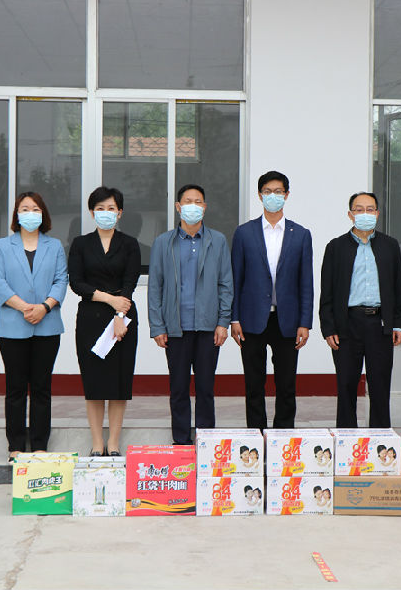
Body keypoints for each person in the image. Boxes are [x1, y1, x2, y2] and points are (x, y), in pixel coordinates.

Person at [147, 184, 233, 445]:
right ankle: (181, 442)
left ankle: (206, 442)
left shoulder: (217, 241)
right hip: (176, 328)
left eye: (198, 202)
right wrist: (157, 325)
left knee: (206, 388)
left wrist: (223, 322)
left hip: (208, 327)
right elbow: (155, 286)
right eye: (187, 201)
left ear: (204, 207)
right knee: (178, 389)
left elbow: (225, 283)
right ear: (178, 207)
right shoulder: (164, 242)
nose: (193, 206)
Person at [230, 171, 314, 430]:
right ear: (260, 195)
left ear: (286, 195)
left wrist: (305, 322)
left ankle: (283, 436)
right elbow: (236, 278)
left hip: (287, 320)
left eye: (278, 192)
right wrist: (234, 318)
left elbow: (306, 282)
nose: (273, 196)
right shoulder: (244, 233)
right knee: (254, 383)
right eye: (268, 192)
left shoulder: (301, 234)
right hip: (252, 318)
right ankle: (256, 435)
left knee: (286, 384)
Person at [0, 192, 68, 462]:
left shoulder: (54, 246)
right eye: (25, 209)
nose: (30, 213)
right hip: (13, 326)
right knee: (16, 388)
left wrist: (44, 307)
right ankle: (15, 446)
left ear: (43, 214)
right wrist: (24, 307)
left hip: (48, 326)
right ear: (16, 214)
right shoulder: (3, 246)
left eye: (35, 209)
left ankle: (40, 445)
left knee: (42, 388)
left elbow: (61, 280)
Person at [320, 193, 401, 428]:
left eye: (370, 209)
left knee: (380, 385)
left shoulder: (390, 246)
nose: (364, 214)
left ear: (377, 213)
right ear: (350, 214)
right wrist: (329, 327)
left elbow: (398, 287)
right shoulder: (336, 247)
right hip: (347, 324)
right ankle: (347, 439)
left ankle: (380, 439)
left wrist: (398, 323)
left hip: (380, 324)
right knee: (346, 384)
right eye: (359, 209)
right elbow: (327, 291)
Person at [69, 186, 141, 457]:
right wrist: (110, 300)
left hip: (123, 320)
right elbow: (77, 282)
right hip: (91, 318)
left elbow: (130, 282)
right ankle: (97, 443)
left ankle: (114, 443)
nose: (106, 213)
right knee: (95, 384)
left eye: (111, 208)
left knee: (119, 385)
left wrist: (120, 316)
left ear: (120, 213)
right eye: (100, 208)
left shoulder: (130, 244)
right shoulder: (80, 244)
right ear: (92, 212)